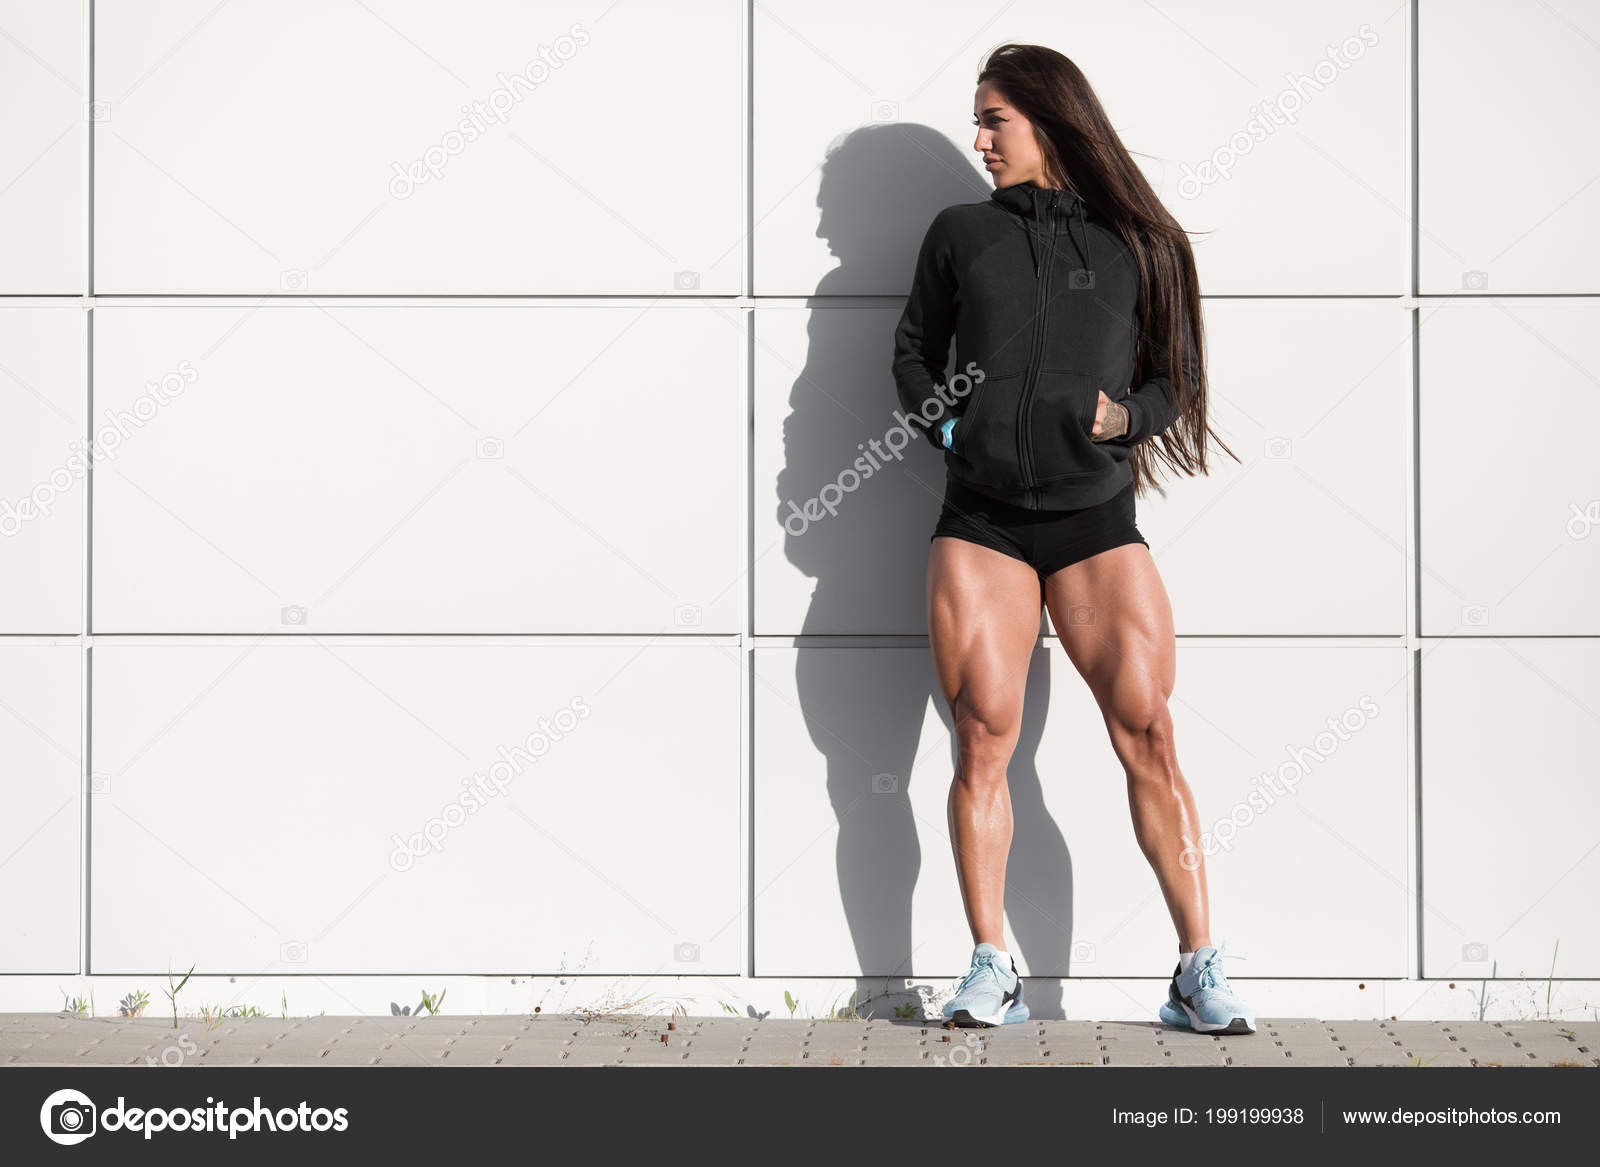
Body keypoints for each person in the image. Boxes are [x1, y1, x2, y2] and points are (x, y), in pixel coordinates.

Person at [891, 43, 1253, 1034]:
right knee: (981, 734)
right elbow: (913, 351)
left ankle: (1194, 971)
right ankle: (989, 965)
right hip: (983, 522)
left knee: (1148, 731)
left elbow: (1172, 374)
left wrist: (1123, 422)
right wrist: (952, 427)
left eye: (992, 120)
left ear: (1045, 119)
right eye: (976, 120)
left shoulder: (1135, 241)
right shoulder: (960, 232)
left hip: (1094, 520)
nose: (978, 141)